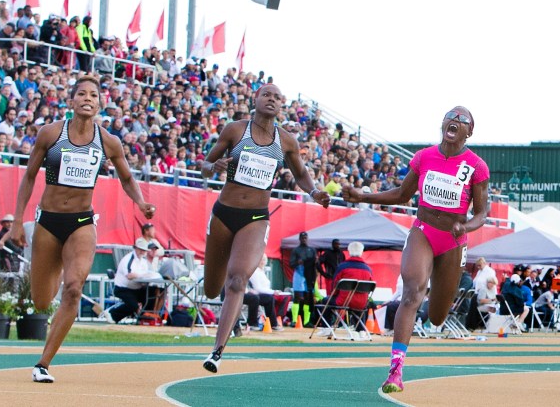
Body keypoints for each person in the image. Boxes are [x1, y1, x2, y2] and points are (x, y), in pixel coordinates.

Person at [6, 75, 156, 383]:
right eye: (82, 94)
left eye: (94, 95)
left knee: (74, 289)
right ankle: (57, 265)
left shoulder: (108, 141)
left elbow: (127, 178)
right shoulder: (50, 134)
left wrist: (140, 202)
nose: (88, 98)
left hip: (82, 223)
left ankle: (43, 364)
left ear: (100, 103)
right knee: (42, 301)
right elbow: (30, 176)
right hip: (47, 221)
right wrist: (20, 220)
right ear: (71, 101)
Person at [342, 106, 488, 394]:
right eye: (450, 117)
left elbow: (483, 212)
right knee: (411, 292)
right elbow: (401, 194)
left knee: (436, 317)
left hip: (454, 241)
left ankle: (437, 297)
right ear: (442, 123)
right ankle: (395, 371)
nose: (454, 121)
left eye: (462, 120)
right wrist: (363, 195)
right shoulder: (424, 157)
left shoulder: (476, 166)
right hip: (423, 230)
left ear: (470, 131)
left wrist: (467, 227)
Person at [199, 84, 330, 373]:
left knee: (237, 280)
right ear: (255, 100)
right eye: (266, 94)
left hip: (256, 218)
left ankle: (217, 351)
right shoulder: (235, 130)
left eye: (277, 97)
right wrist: (213, 166)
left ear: (282, 105)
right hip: (223, 214)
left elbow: (302, 174)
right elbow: (204, 165)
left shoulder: (286, 141)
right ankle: (223, 319)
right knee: (211, 289)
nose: (272, 99)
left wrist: (315, 192)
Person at [104, 242, 159, 324]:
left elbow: (144, 275)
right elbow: (129, 275)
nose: (142, 252)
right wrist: (143, 275)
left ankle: (145, 317)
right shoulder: (128, 259)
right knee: (133, 306)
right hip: (123, 288)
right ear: (135, 248)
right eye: (140, 249)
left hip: (137, 288)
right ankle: (112, 313)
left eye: (144, 250)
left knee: (153, 292)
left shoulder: (143, 262)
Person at [246, 254, 285, 331]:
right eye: (260, 260)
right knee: (257, 298)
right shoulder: (255, 272)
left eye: (264, 260)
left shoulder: (262, 272)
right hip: (254, 294)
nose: (262, 262)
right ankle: (252, 323)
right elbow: (258, 288)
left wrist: (272, 292)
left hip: (261, 294)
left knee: (270, 299)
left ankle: (273, 324)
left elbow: (265, 287)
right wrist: (273, 291)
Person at [289, 232, 318, 328]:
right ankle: (293, 320)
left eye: (305, 237)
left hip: (309, 275)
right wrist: (298, 262)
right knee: (297, 297)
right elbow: (291, 264)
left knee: (308, 298)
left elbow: (315, 264)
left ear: (307, 238)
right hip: (299, 274)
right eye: (302, 238)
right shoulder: (296, 250)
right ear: (299, 239)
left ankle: (306, 321)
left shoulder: (312, 250)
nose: (304, 239)